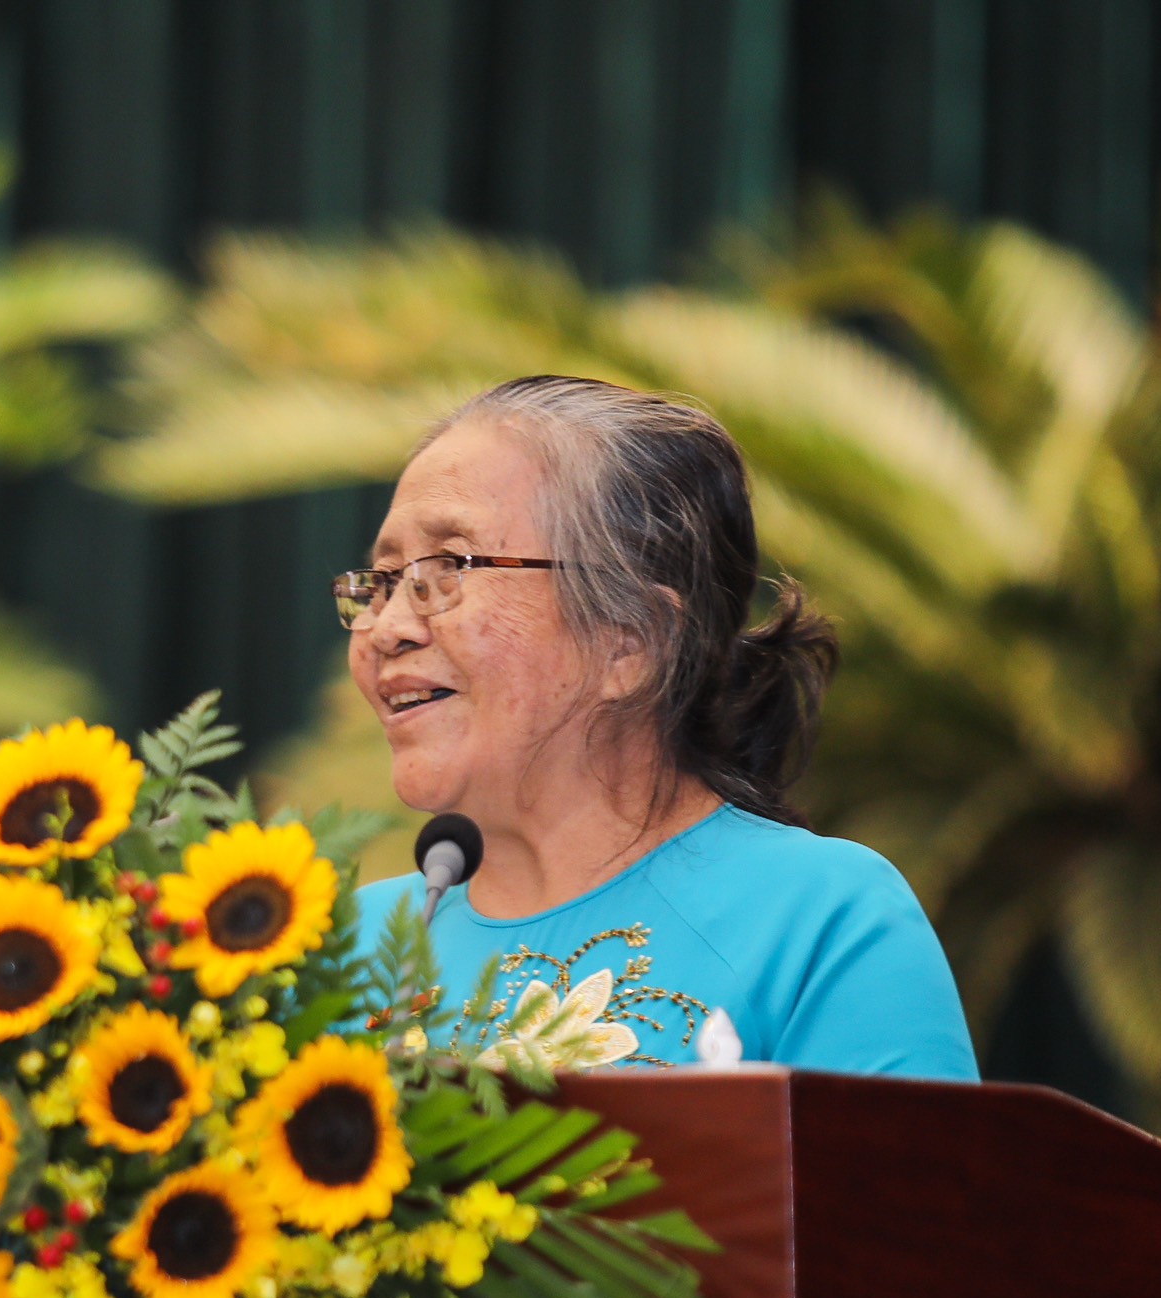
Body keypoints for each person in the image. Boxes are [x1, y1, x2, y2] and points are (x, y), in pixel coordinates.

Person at [347, 375, 978, 1079]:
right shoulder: (337, 954)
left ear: (631, 642)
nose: (387, 626)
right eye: (381, 580)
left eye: (449, 568)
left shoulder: (820, 920)